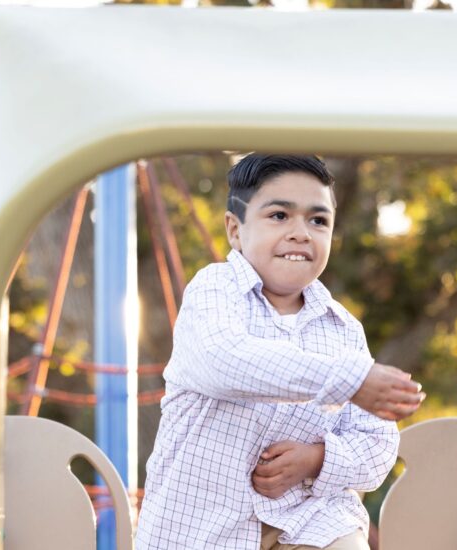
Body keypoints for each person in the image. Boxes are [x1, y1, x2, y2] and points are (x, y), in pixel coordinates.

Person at [136, 154, 425, 550]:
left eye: (318, 220)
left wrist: (317, 459)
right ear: (235, 230)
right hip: (204, 527)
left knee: (345, 541)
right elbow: (226, 359)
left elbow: (377, 444)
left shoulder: (343, 331)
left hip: (306, 519)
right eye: (279, 216)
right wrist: (349, 380)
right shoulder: (214, 291)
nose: (301, 233)